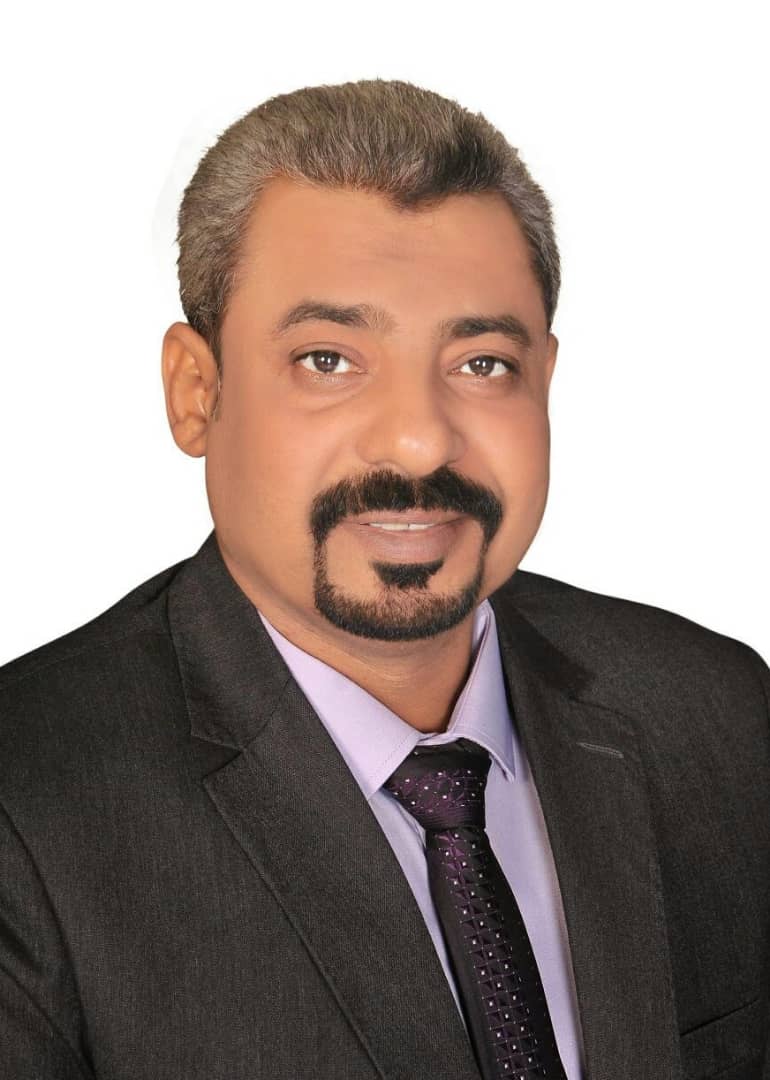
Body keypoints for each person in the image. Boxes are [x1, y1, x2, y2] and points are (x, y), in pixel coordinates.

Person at [0, 78, 767, 1080]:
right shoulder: (27, 807)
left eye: (481, 363)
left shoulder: (719, 716)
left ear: (545, 380)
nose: (417, 439)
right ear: (196, 393)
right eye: (328, 359)